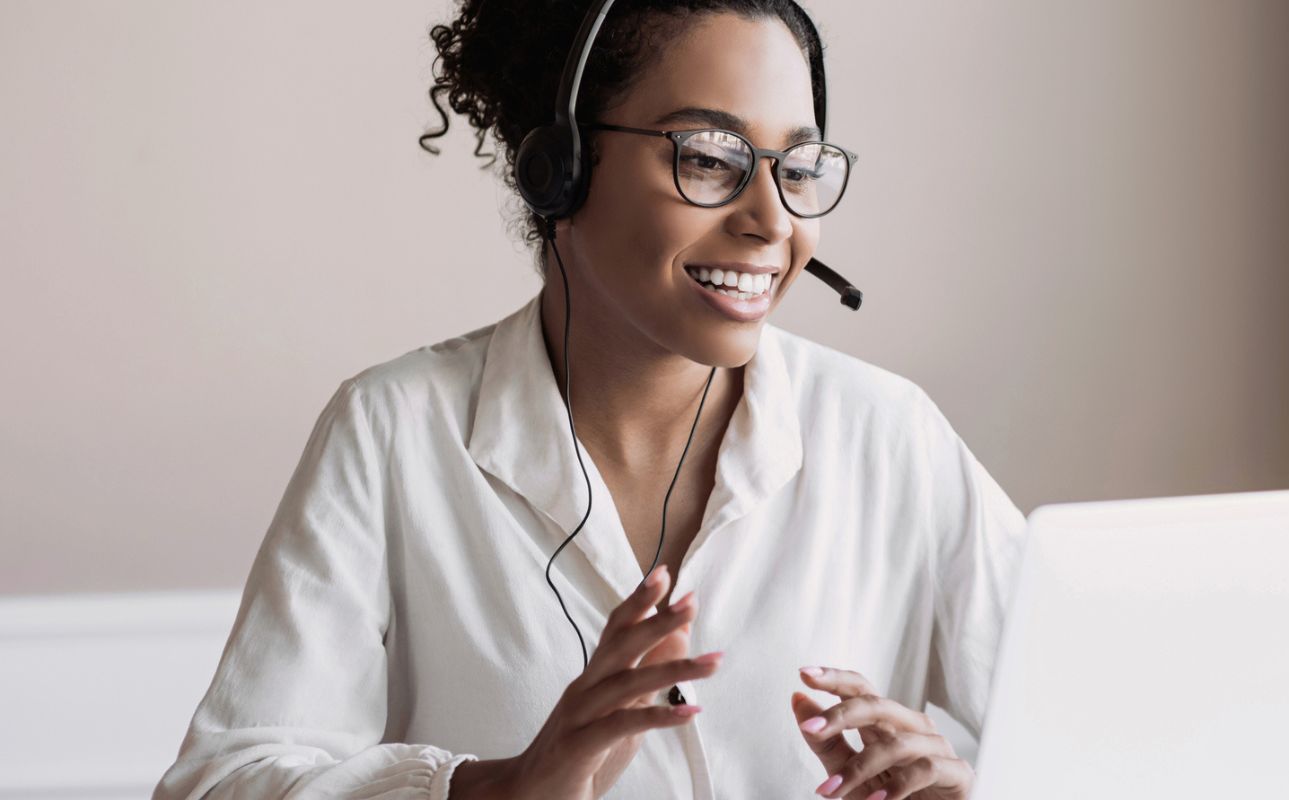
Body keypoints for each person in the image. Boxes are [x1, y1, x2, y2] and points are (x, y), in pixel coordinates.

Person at [154, 2, 1026, 798]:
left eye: (798, 168)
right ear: (561, 170)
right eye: (710, 158)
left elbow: (1125, 742)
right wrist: (504, 788)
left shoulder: (889, 434)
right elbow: (219, 784)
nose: (772, 220)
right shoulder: (393, 432)